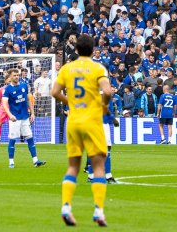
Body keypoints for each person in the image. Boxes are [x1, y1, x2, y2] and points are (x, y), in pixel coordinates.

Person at [51, 34, 114, 227]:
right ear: (93, 50)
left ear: (76, 50)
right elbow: (109, 91)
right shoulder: (98, 68)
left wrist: (71, 102)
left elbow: (54, 92)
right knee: (98, 167)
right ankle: (98, 211)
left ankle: (66, 207)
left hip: (74, 121)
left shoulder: (67, 68)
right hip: (93, 121)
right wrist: (103, 105)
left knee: (73, 167)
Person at [1, 68, 45, 169]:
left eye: (17, 75)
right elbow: (4, 104)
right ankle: (11, 162)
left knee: (30, 138)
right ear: (10, 77)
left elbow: (28, 100)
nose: (16, 77)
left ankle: (35, 161)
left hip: (25, 117)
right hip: (15, 118)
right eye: (14, 75)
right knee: (12, 139)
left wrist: (32, 113)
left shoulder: (24, 86)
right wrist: (10, 115)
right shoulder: (7, 89)